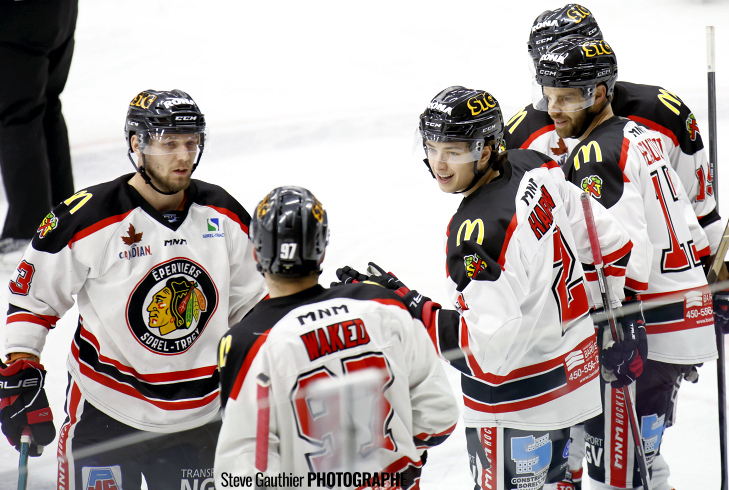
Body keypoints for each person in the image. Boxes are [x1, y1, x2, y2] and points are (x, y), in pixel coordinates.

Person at [338, 86, 638, 490]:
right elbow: (608, 241)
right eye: (432, 147)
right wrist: (618, 316)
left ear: (485, 151)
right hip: (575, 380)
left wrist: (409, 307)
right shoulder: (535, 164)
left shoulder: (477, 233)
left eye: (454, 150)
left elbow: (485, 355)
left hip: (518, 406)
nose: (439, 163)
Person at [0, 89, 267, 490]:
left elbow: (256, 306)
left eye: (191, 142)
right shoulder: (89, 217)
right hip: (104, 411)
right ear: (136, 144)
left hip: (198, 416)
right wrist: (22, 364)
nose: (183, 156)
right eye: (169, 143)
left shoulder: (223, 215)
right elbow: (32, 299)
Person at [533, 36, 718, 490]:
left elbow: (620, 251)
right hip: (678, 322)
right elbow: (691, 231)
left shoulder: (596, 153)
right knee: (639, 471)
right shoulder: (641, 136)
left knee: (616, 480)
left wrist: (624, 324)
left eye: (566, 98)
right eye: (549, 96)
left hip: (640, 336)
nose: (553, 110)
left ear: (599, 92)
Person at [214, 186, 459, 487]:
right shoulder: (383, 307)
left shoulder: (248, 343)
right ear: (322, 250)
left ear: (256, 251)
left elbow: (244, 473)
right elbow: (439, 414)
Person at [503, 4, 722, 256]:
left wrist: (713, 265)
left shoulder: (663, 113)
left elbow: (700, 211)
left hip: (661, 272)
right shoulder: (520, 136)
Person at [0, 0, 78, 260]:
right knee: (47, 106)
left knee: (19, 115)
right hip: (60, 13)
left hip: (18, 18)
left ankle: (27, 230)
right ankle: (64, 220)